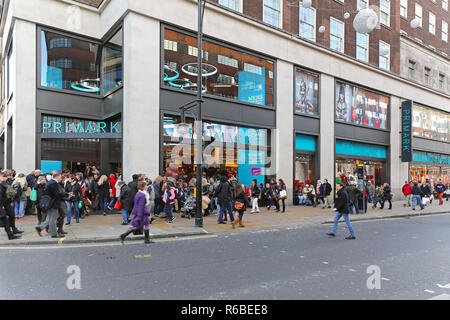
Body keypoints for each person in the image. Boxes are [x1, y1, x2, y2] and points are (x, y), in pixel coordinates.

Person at [35, 173, 72, 238]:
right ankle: (53, 234)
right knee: (53, 219)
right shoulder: (53, 183)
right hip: (53, 204)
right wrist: (67, 194)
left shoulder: (50, 183)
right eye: (60, 177)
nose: (61, 178)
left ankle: (40, 227)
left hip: (50, 203)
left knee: (52, 218)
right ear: (57, 177)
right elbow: (57, 194)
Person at [0, 173, 21, 240]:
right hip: (2, 204)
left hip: (6, 203)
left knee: (10, 217)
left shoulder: (5, 183)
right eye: (3, 177)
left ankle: (11, 233)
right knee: (5, 220)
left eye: (5, 177)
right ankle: (10, 235)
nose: (5, 178)